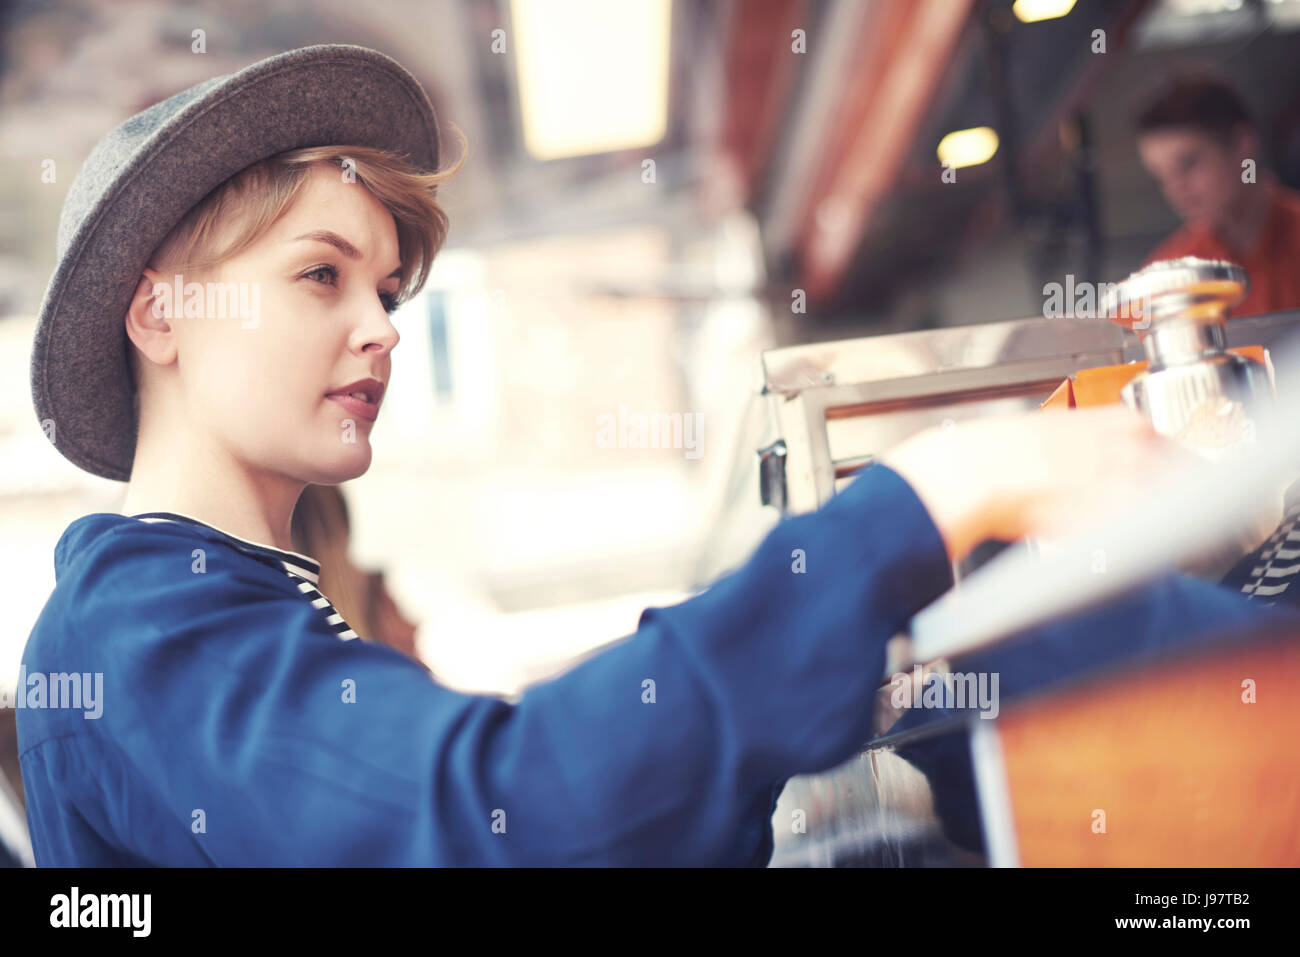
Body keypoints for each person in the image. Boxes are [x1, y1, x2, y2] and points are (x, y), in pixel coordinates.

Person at [16, 45, 1295, 867]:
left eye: (390, 292)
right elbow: (488, 816)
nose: (379, 328)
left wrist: (868, 651)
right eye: (320, 276)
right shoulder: (141, 624)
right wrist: (934, 493)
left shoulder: (206, 597)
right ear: (160, 313)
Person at [1136, 75, 1300, 316]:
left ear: (1242, 144)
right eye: (1162, 176)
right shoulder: (1166, 277)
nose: (1176, 189)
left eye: (1188, 164)